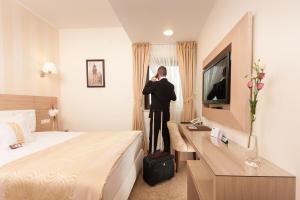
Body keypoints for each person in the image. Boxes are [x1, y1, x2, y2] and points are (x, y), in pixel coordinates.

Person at [142, 66, 176, 154]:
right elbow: (174, 98)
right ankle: (167, 154)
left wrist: (150, 81)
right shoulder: (171, 85)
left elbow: (144, 91)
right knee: (166, 136)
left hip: (155, 115)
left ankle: (151, 155)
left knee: (153, 136)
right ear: (166, 73)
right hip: (165, 115)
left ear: (158, 73)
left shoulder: (155, 84)